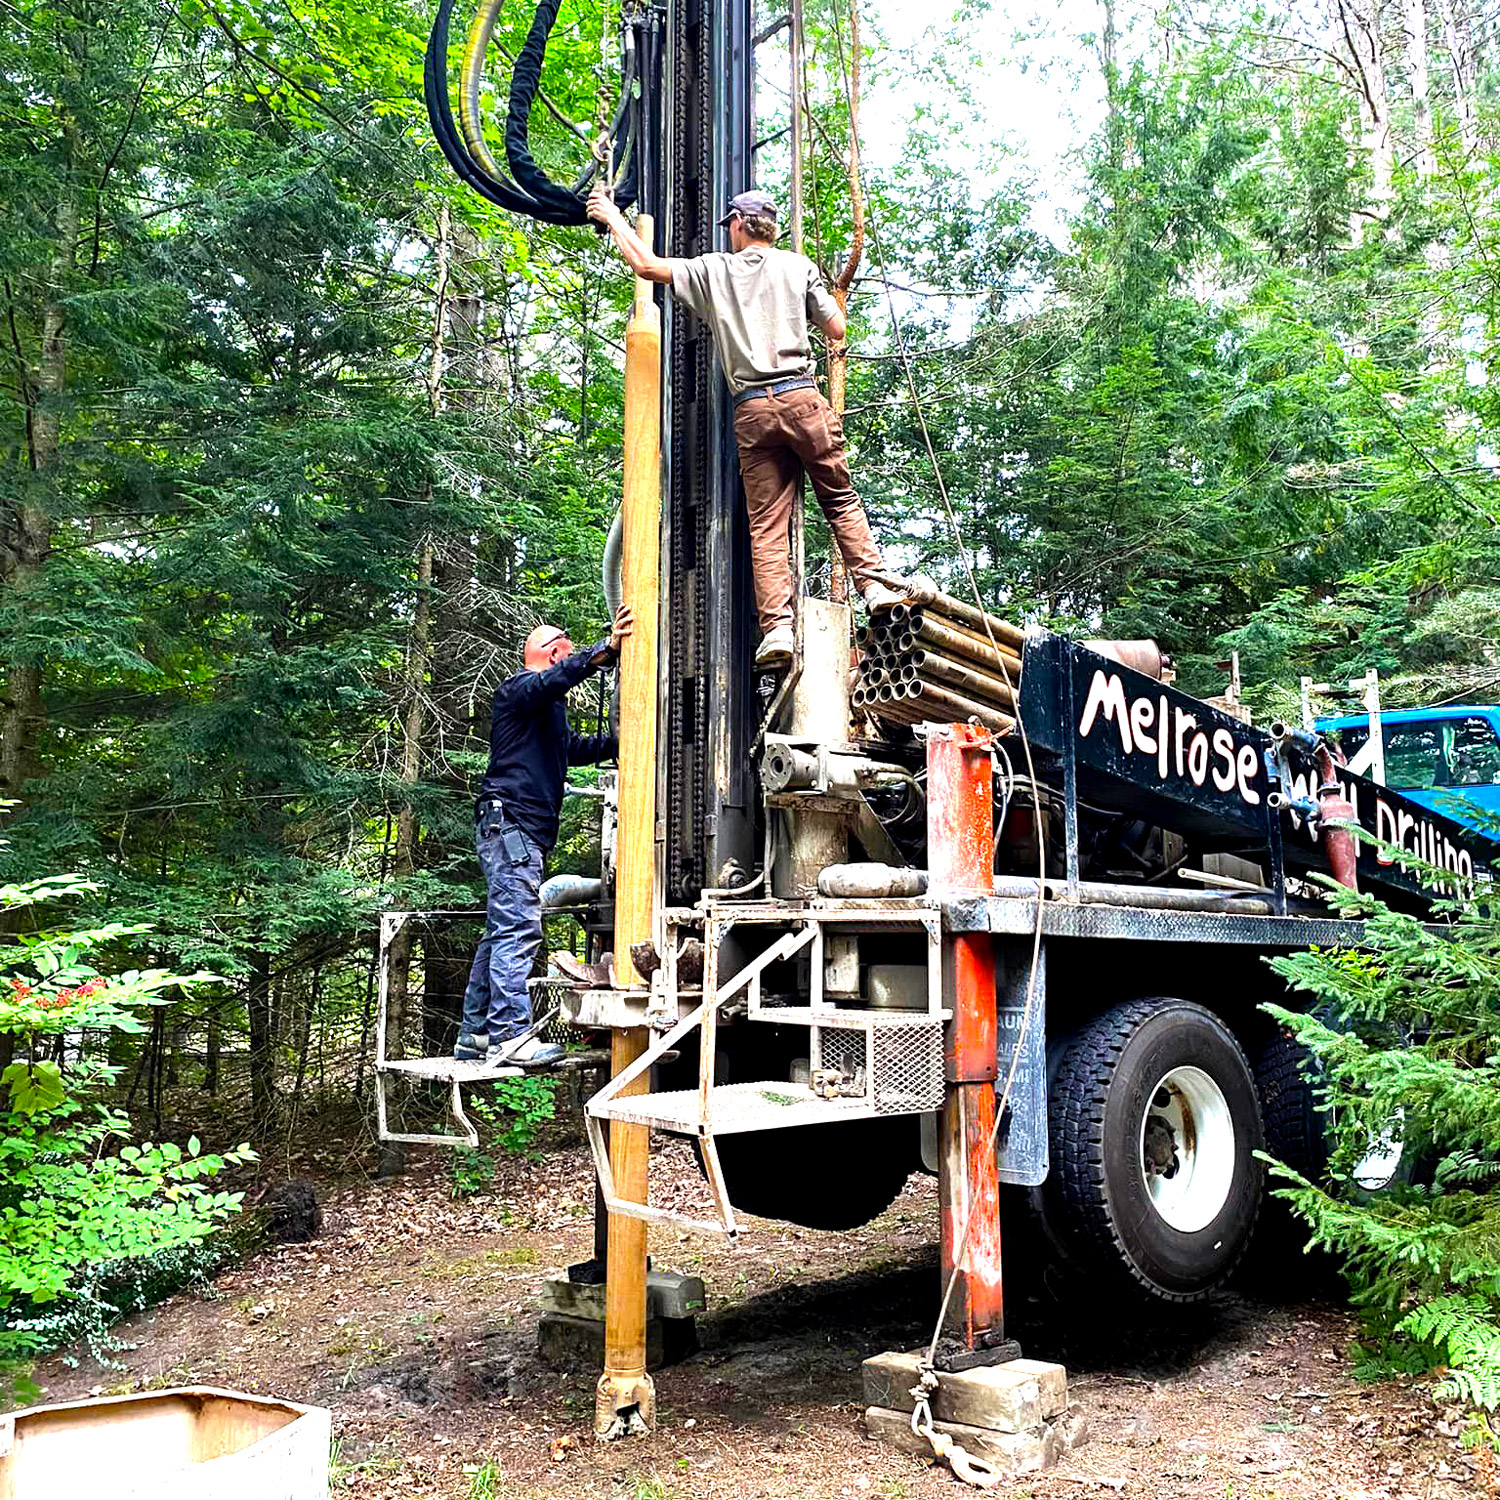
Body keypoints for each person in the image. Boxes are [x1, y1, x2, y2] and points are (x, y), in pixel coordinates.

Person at [586, 185, 904, 666]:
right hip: (801, 398)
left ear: (737, 223)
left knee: (767, 526)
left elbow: (647, 266)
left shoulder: (714, 269)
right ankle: (876, 588)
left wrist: (612, 216)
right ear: (770, 228)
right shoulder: (798, 267)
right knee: (839, 498)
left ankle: (776, 631)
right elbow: (837, 328)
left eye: (730, 226)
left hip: (753, 409)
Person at [455, 605, 634, 1064]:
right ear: (554, 655)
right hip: (510, 824)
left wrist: (620, 743)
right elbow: (551, 682)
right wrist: (600, 652)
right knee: (517, 928)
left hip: (517, 829)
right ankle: (510, 1037)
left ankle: (475, 1034)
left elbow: (567, 750)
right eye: (570, 656)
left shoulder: (543, 711)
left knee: (501, 930)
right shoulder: (518, 691)